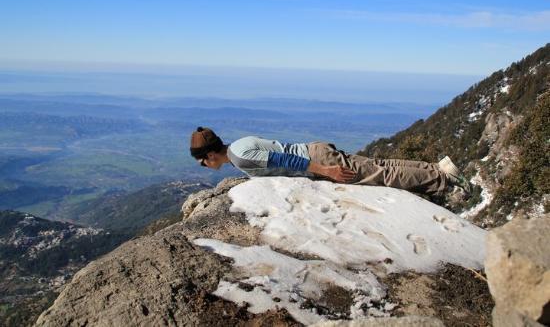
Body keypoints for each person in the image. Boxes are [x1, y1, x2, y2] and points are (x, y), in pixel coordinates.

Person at [189, 126, 471, 196]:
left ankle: (444, 178)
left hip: (316, 160)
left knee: (381, 176)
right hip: (315, 151)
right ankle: (437, 169)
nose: (204, 166)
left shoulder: (239, 156)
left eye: (202, 161)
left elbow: (283, 159)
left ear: (210, 155)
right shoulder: (238, 144)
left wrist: (328, 172)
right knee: (380, 167)